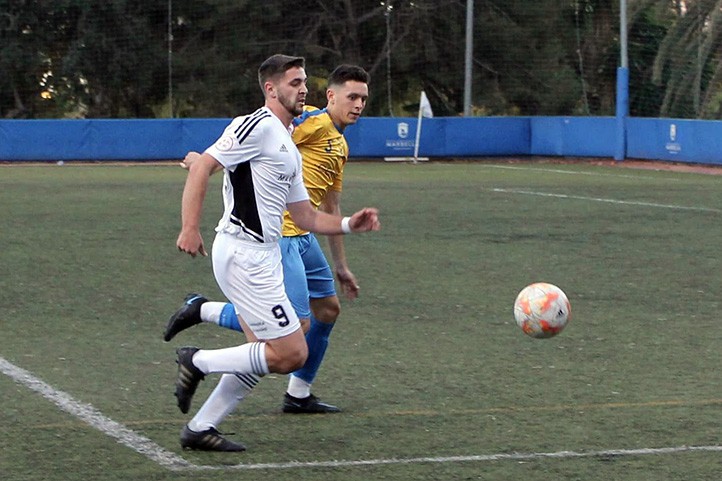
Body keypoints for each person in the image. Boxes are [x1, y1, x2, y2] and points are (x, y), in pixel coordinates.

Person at [172, 54, 380, 452]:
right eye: (293, 82)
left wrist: (352, 223)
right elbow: (203, 167)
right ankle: (196, 361)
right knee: (290, 352)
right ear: (271, 89)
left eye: (303, 82)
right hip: (243, 254)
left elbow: (304, 216)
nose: (303, 89)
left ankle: (200, 427)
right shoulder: (257, 125)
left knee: (258, 353)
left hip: (264, 254)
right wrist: (189, 227)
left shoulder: (286, 140)